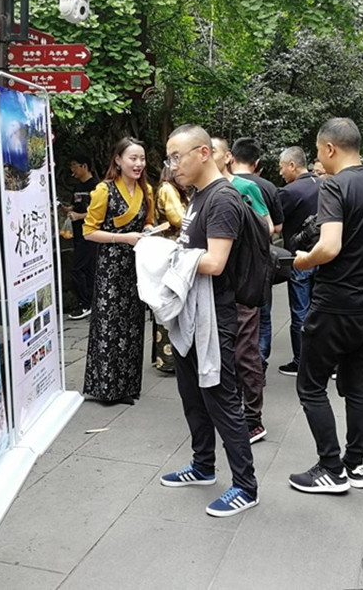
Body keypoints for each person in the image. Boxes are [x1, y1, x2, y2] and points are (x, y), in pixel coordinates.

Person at [289, 118, 363, 494]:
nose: (319, 158)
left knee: (310, 386)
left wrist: (303, 261)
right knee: (355, 385)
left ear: (330, 148)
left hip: (334, 303)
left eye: (319, 151)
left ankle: (330, 468)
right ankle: (355, 464)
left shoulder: (334, 185)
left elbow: (330, 246)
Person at [159, 124, 259, 517]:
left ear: (203, 153)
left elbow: (215, 263)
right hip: (192, 313)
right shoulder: (199, 195)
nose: (172, 165)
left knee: (221, 399)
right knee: (193, 395)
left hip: (215, 316)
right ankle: (203, 466)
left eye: (177, 156)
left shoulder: (222, 199)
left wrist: (163, 255)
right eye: (169, 157)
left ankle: (245, 486)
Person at [82, 137, 154, 405]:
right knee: (109, 325)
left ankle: (128, 386)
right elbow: (89, 232)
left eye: (142, 158)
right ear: (118, 160)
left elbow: (148, 222)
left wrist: (149, 230)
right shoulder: (104, 190)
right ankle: (107, 388)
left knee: (133, 325)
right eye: (133, 158)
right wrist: (123, 238)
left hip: (136, 264)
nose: (138, 164)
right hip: (111, 267)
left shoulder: (146, 190)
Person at [212, 136, 271, 443]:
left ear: (229, 158)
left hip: (243, 281)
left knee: (245, 351)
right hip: (215, 285)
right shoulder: (202, 191)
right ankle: (231, 411)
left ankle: (253, 419)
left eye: (214, 151)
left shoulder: (246, 187)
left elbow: (267, 227)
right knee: (224, 352)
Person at [228, 138, 285, 375]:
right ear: (257, 162)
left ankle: (237, 365)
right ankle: (258, 363)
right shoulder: (268, 187)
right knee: (262, 313)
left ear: (230, 157)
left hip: (230, 265)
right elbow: (276, 227)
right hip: (259, 264)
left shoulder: (222, 185)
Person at [276, 146, 320, 377]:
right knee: (320, 310)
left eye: (282, 167)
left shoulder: (290, 191)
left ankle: (301, 361)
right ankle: (325, 362)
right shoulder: (325, 185)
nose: (280, 172)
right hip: (323, 255)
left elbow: (276, 224)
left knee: (300, 312)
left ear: (292, 165)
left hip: (299, 258)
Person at [152, 165, 188, 373]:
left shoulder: (172, 189)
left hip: (173, 252)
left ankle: (168, 358)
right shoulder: (168, 189)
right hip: (172, 253)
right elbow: (180, 220)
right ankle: (168, 359)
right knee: (170, 305)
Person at [61, 153, 97, 320]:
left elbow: (98, 213)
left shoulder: (96, 187)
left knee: (77, 268)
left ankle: (85, 304)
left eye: (74, 165)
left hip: (90, 235)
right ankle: (91, 303)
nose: (72, 169)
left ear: (84, 166)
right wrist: (67, 209)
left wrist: (79, 216)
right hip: (77, 234)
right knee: (87, 269)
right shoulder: (77, 187)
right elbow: (75, 206)